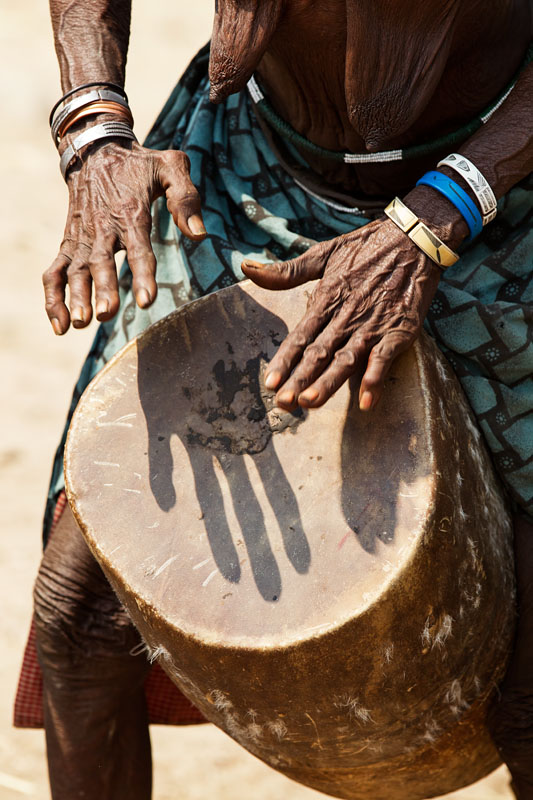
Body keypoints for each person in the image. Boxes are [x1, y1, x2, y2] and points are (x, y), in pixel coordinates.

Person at [17, 0, 533, 797]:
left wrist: (439, 216)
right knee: (82, 614)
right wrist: (94, 132)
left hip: (502, 193)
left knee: (529, 688)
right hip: (247, 173)